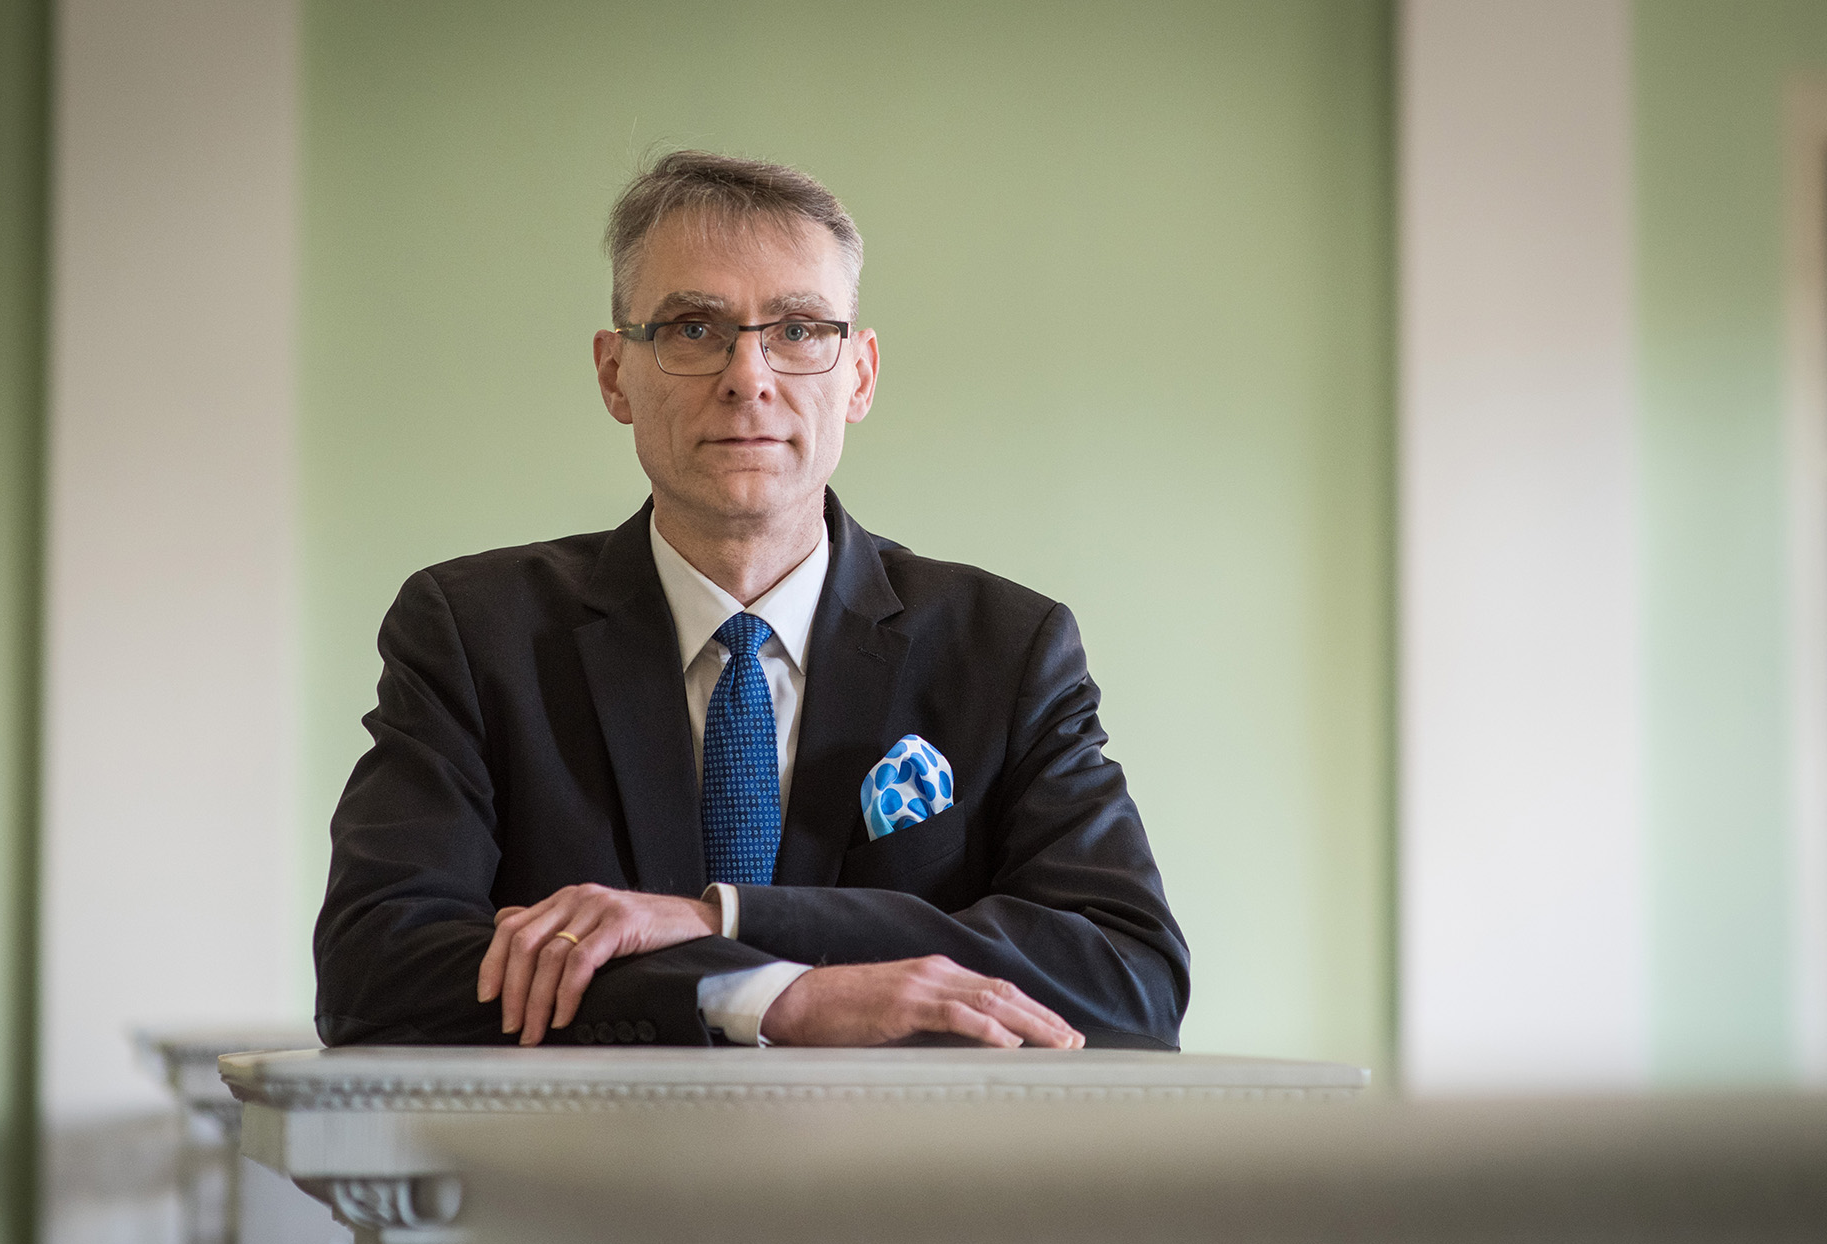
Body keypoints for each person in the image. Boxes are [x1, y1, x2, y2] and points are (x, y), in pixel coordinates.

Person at [313, 152, 1188, 1050]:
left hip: (905, 1187)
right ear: (616, 374)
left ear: (860, 375)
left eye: (801, 329)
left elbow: (1130, 978)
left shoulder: (1007, 649)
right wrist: (767, 997)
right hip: (584, 1184)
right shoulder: (473, 633)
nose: (748, 377)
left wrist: (722, 919)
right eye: (693, 328)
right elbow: (374, 969)